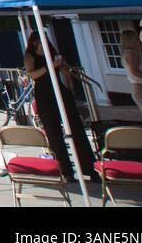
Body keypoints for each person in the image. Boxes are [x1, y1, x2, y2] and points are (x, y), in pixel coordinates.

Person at [23, 30, 97, 182]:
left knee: (75, 128)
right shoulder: (31, 56)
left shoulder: (53, 54)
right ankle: (65, 170)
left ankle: (89, 167)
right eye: (38, 41)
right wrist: (50, 66)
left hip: (60, 91)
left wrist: (67, 77)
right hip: (44, 93)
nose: (41, 44)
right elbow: (32, 74)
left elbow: (65, 73)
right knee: (53, 132)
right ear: (34, 43)